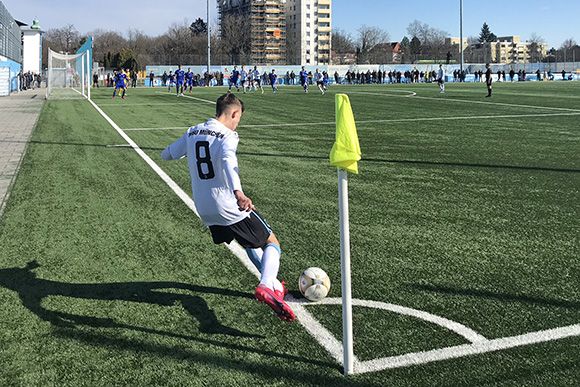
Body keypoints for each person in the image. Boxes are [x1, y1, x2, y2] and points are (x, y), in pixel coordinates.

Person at [161, 94, 295, 322]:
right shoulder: (228, 135)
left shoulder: (193, 131)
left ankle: (273, 285)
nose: (237, 123)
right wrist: (238, 192)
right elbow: (228, 160)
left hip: (204, 209)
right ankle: (266, 285)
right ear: (234, 113)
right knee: (271, 242)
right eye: (239, 118)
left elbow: (167, 154)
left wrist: (189, 150)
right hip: (227, 203)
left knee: (248, 242)